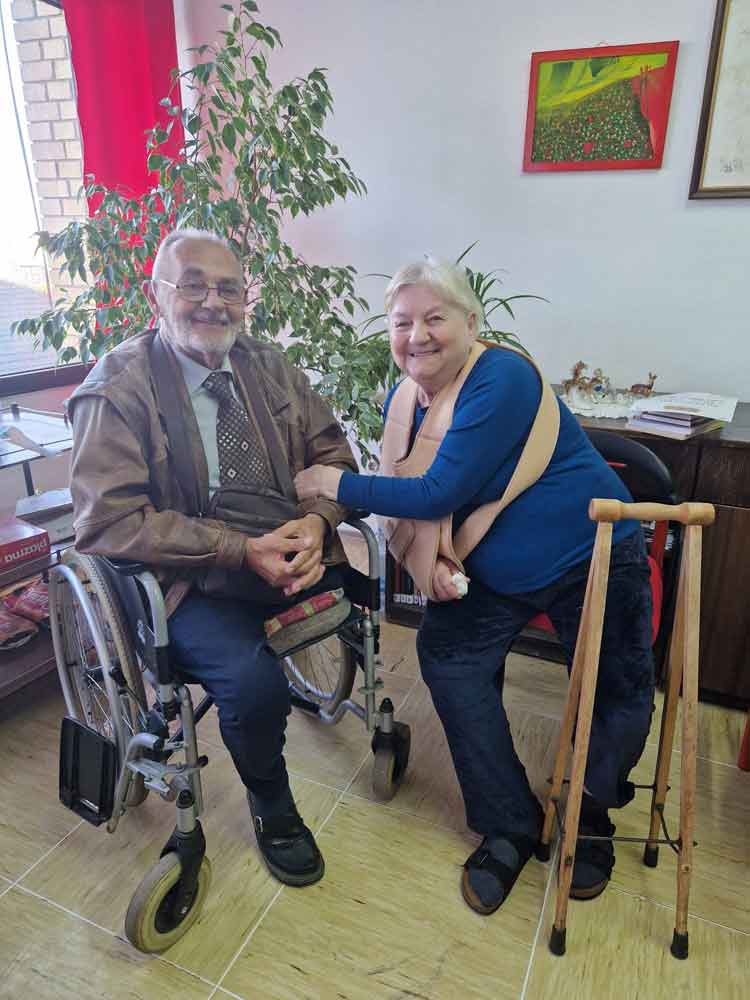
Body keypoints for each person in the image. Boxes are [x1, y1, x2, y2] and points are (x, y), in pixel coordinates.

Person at [295, 258, 655, 915]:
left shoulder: (502, 377)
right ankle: (510, 821)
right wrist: (432, 560)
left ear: (471, 321)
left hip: (592, 550)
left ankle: (590, 813)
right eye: (401, 322)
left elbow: (439, 490)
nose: (417, 336)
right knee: (449, 657)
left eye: (434, 318)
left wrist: (332, 483)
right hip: (495, 568)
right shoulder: (405, 400)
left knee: (618, 686)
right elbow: (421, 507)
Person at [67, 228, 357, 888]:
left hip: (284, 551)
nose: (213, 302)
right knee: (254, 689)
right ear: (156, 296)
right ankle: (274, 806)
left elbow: (334, 458)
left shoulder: (270, 365)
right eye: (193, 285)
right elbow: (107, 520)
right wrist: (237, 550)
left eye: (229, 288)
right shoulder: (117, 389)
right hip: (187, 581)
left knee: (358, 595)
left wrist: (317, 523)